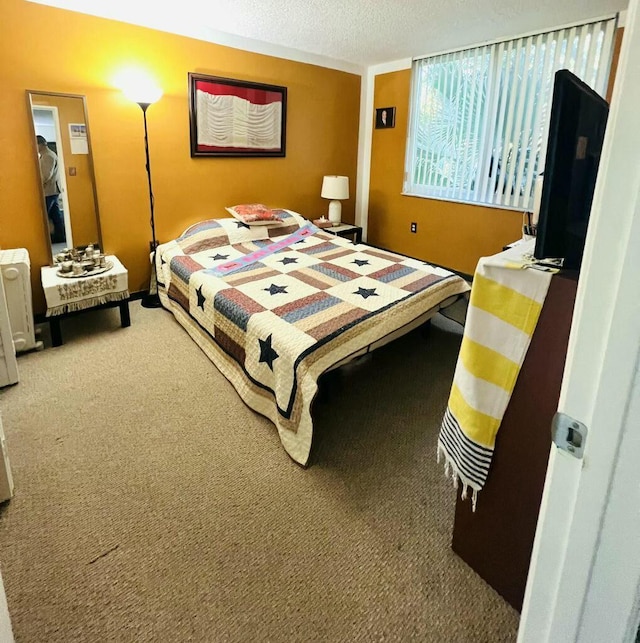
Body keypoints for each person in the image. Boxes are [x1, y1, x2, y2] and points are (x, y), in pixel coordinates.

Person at [36, 135, 65, 243]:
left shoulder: (47, 156)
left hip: (49, 191)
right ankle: (59, 237)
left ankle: (46, 240)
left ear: (40, 144)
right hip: (52, 190)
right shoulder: (47, 155)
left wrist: (37, 184)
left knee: (44, 215)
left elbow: (46, 175)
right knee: (55, 215)